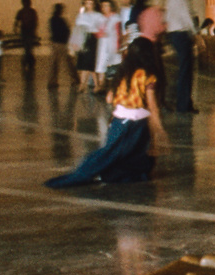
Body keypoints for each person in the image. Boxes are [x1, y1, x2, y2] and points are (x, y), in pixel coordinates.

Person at [45, 38, 168, 187]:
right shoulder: (148, 75)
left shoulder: (123, 71)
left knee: (115, 153)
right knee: (118, 155)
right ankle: (92, 174)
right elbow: (153, 106)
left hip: (118, 120)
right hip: (135, 123)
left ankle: (99, 173)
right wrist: (159, 129)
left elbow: (110, 98)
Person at [163, 0, 199, 114]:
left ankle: (183, 102)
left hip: (173, 35)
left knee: (182, 70)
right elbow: (188, 18)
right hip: (183, 35)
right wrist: (196, 34)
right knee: (186, 71)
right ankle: (183, 105)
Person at [72, 0, 103, 92]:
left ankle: (97, 85)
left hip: (93, 39)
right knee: (83, 63)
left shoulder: (98, 15)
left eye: (91, 3)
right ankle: (82, 85)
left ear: (94, 4)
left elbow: (100, 27)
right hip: (83, 38)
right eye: (87, 3)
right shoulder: (81, 15)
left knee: (92, 62)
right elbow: (77, 27)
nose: (89, 5)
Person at [44, 2, 74, 89]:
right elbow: (67, 31)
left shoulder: (52, 20)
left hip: (55, 43)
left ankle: (52, 81)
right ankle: (74, 79)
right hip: (62, 43)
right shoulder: (61, 20)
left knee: (54, 63)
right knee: (68, 63)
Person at [13, 0, 38, 74]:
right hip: (26, 32)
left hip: (28, 32)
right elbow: (17, 21)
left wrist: (15, 29)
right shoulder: (29, 12)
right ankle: (29, 64)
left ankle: (27, 64)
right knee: (28, 49)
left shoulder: (26, 12)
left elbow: (34, 22)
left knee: (27, 49)